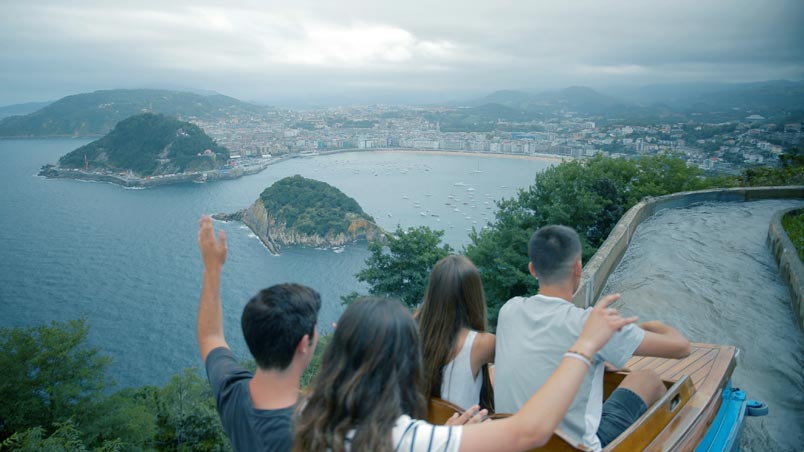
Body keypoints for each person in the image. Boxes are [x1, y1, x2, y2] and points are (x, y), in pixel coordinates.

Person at [293, 295, 637, 452]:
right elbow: (528, 433)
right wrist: (586, 346)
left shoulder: (307, 414)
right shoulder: (402, 437)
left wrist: (438, 438)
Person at [494, 225, 692, 451]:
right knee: (648, 379)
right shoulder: (592, 323)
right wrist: (653, 325)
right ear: (578, 268)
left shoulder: (509, 310)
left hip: (514, 442)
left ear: (532, 269)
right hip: (574, 448)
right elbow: (681, 348)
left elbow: (546, 347)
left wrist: (593, 362)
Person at [196, 215, 321, 452]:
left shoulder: (232, 394)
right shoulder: (313, 432)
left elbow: (210, 336)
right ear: (303, 344)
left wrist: (212, 269)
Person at [418, 255, 495, 411]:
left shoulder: (411, 328)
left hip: (421, 429)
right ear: (474, 296)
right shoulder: (482, 343)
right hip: (463, 433)